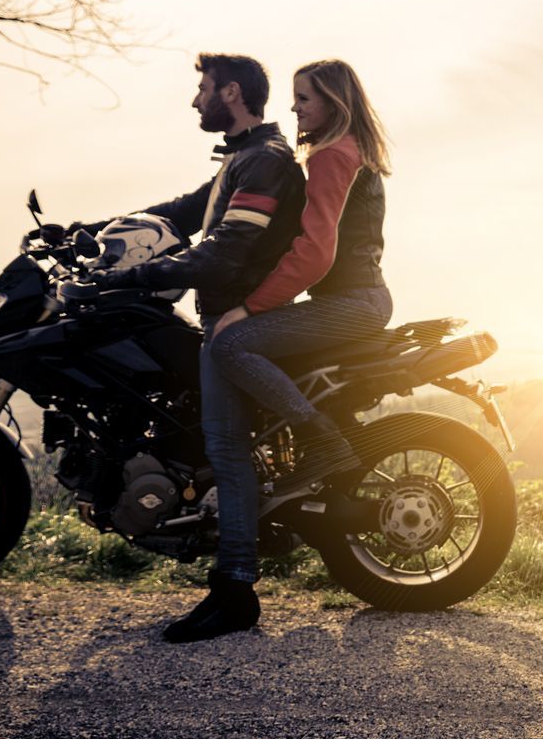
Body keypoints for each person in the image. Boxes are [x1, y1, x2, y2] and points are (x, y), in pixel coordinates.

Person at [93, 53, 306, 643]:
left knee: (228, 454)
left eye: (203, 89)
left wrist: (130, 276)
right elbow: (184, 212)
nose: (195, 100)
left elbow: (226, 250)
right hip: (221, 315)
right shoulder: (244, 157)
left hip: (235, 321)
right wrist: (94, 231)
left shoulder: (265, 161)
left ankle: (234, 592)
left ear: (231, 93)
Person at [205, 57, 393, 519]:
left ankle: (321, 441)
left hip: (352, 303)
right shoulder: (354, 150)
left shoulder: (332, 155)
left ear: (334, 103)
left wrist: (250, 307)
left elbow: (315, 252)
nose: (294, 109)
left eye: (304, 98)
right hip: (362, 298)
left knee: (229, 344)